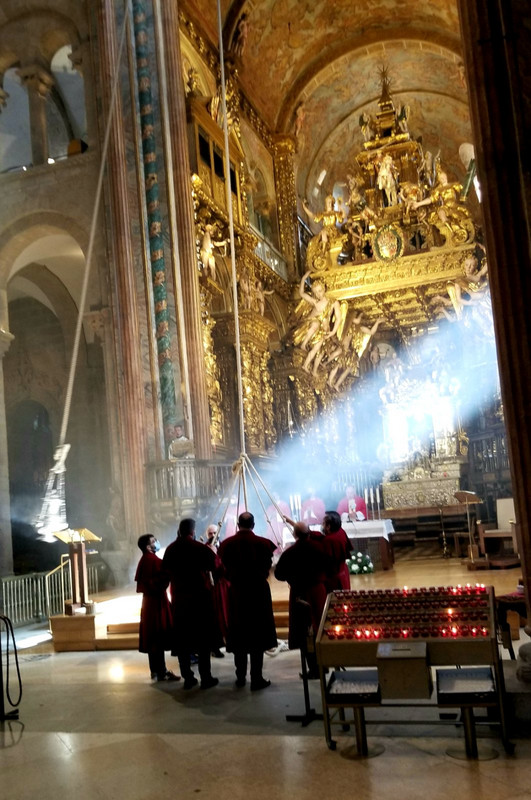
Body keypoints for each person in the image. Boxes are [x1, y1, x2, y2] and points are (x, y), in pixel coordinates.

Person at [218, 511, 277, 690]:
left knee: (239, 632)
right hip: (258, 591)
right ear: (253, 524)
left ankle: (240, 676)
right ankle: (256, 677)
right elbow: (268, 565)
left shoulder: (227, 544)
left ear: (237, 524)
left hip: (237, 592)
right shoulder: (263, 543)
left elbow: (223, 568)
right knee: (257, 634)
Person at [162, 518, 219, 690]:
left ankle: (188, 677)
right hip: (199, 599)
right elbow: (214, 565)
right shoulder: (199, 548)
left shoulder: (171, 550)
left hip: (180, 600)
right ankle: (206, 677)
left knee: (183, 641)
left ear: (179, 531)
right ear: (193, 532)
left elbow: (164, 572)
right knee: (203, 640)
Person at [275, 521, 329, 678]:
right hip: (318, 591)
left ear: (294, 534)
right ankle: (324, 664)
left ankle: (313, 669)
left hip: (300, 593)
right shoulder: (319, 547)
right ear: (309, 532)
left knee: (305, 631)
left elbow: (279, 574)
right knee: (319, 626)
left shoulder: (290, 552)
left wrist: (293, 578)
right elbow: (328, 565)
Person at [135, 534, 180, 682]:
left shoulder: (144, 560)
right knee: (158, 634)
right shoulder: (153, 560)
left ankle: (154, 670)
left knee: (152, 636)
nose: (157, 543)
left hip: (148, 603)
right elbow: (162, 577)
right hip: (156, 602)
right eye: (153, 541)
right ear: (148, 547)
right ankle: (162, 671)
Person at [319, 510, 353, 591]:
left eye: (323, 523)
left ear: (328, 526)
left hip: (334, 578)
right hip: (343, 572)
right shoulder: (340, 531)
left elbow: (325, 561)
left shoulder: (329, 540)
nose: (322, 525)